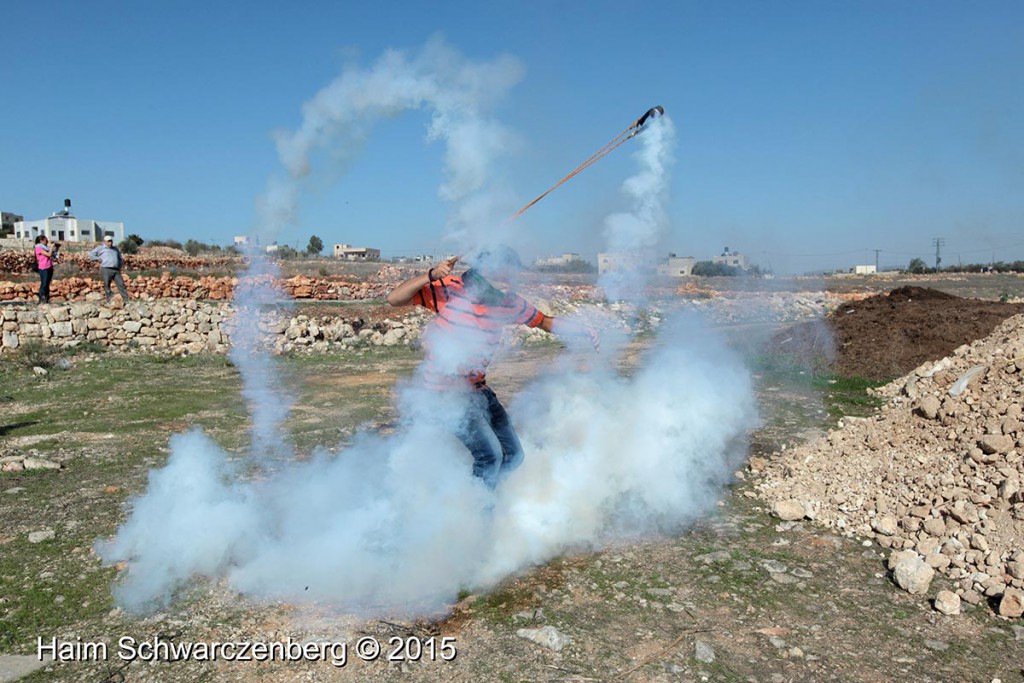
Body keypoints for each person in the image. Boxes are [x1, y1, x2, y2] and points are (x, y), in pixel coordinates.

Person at [387, 247, 598, 488]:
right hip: (445, 393)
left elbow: (547, 323)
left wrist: (584, 330)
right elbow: (394, 299)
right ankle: (477, 515)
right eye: (501, 279)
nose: (506, 287)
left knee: (515, 455)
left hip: (478, 391)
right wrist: (431, 274)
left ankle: (489, 498)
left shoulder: (507, 302)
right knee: (490, 456)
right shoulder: (450, 288)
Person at [88, 237, 130, 301]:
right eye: (109, 241)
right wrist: (97, 258)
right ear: (105, 241)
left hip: (116, 269)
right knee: (107, 284)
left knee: (121, 284)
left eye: (111, 241)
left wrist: (120, 263)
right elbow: (91, 254)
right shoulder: (100, 248)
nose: (110, 243)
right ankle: (109, 298)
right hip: (106, 269)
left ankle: (126, 299)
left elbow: (120, 257)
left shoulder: (115, 249)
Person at [33, 236, 59, 304]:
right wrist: (51, 247)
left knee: (47, 284)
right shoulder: (38, 248)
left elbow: (53, 255)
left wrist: (56, 248)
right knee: (44, 284)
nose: (47, 241)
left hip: (49, 267)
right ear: (41, 241)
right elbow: (49, 254)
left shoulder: (46, 248)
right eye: (45, 240)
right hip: (43, 268)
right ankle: (41, 299)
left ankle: (46, 299)